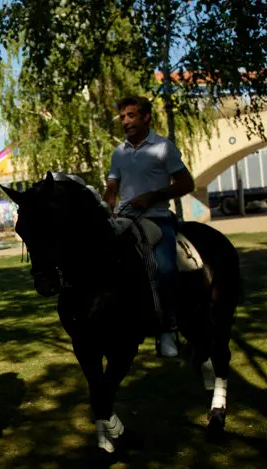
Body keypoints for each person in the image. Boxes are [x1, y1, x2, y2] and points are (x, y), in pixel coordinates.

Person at [104, 96, 197, 358]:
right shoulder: (119, 153)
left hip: (156, 217)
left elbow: (186, 184)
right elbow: (112, 188)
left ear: (145, 117)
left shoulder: (163, 148)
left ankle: (168, 329)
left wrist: (153, 196)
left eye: (131, 115)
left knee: (165, 269)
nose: (125, 122)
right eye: (122, 117)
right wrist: (106, 207)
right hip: (124, 219)